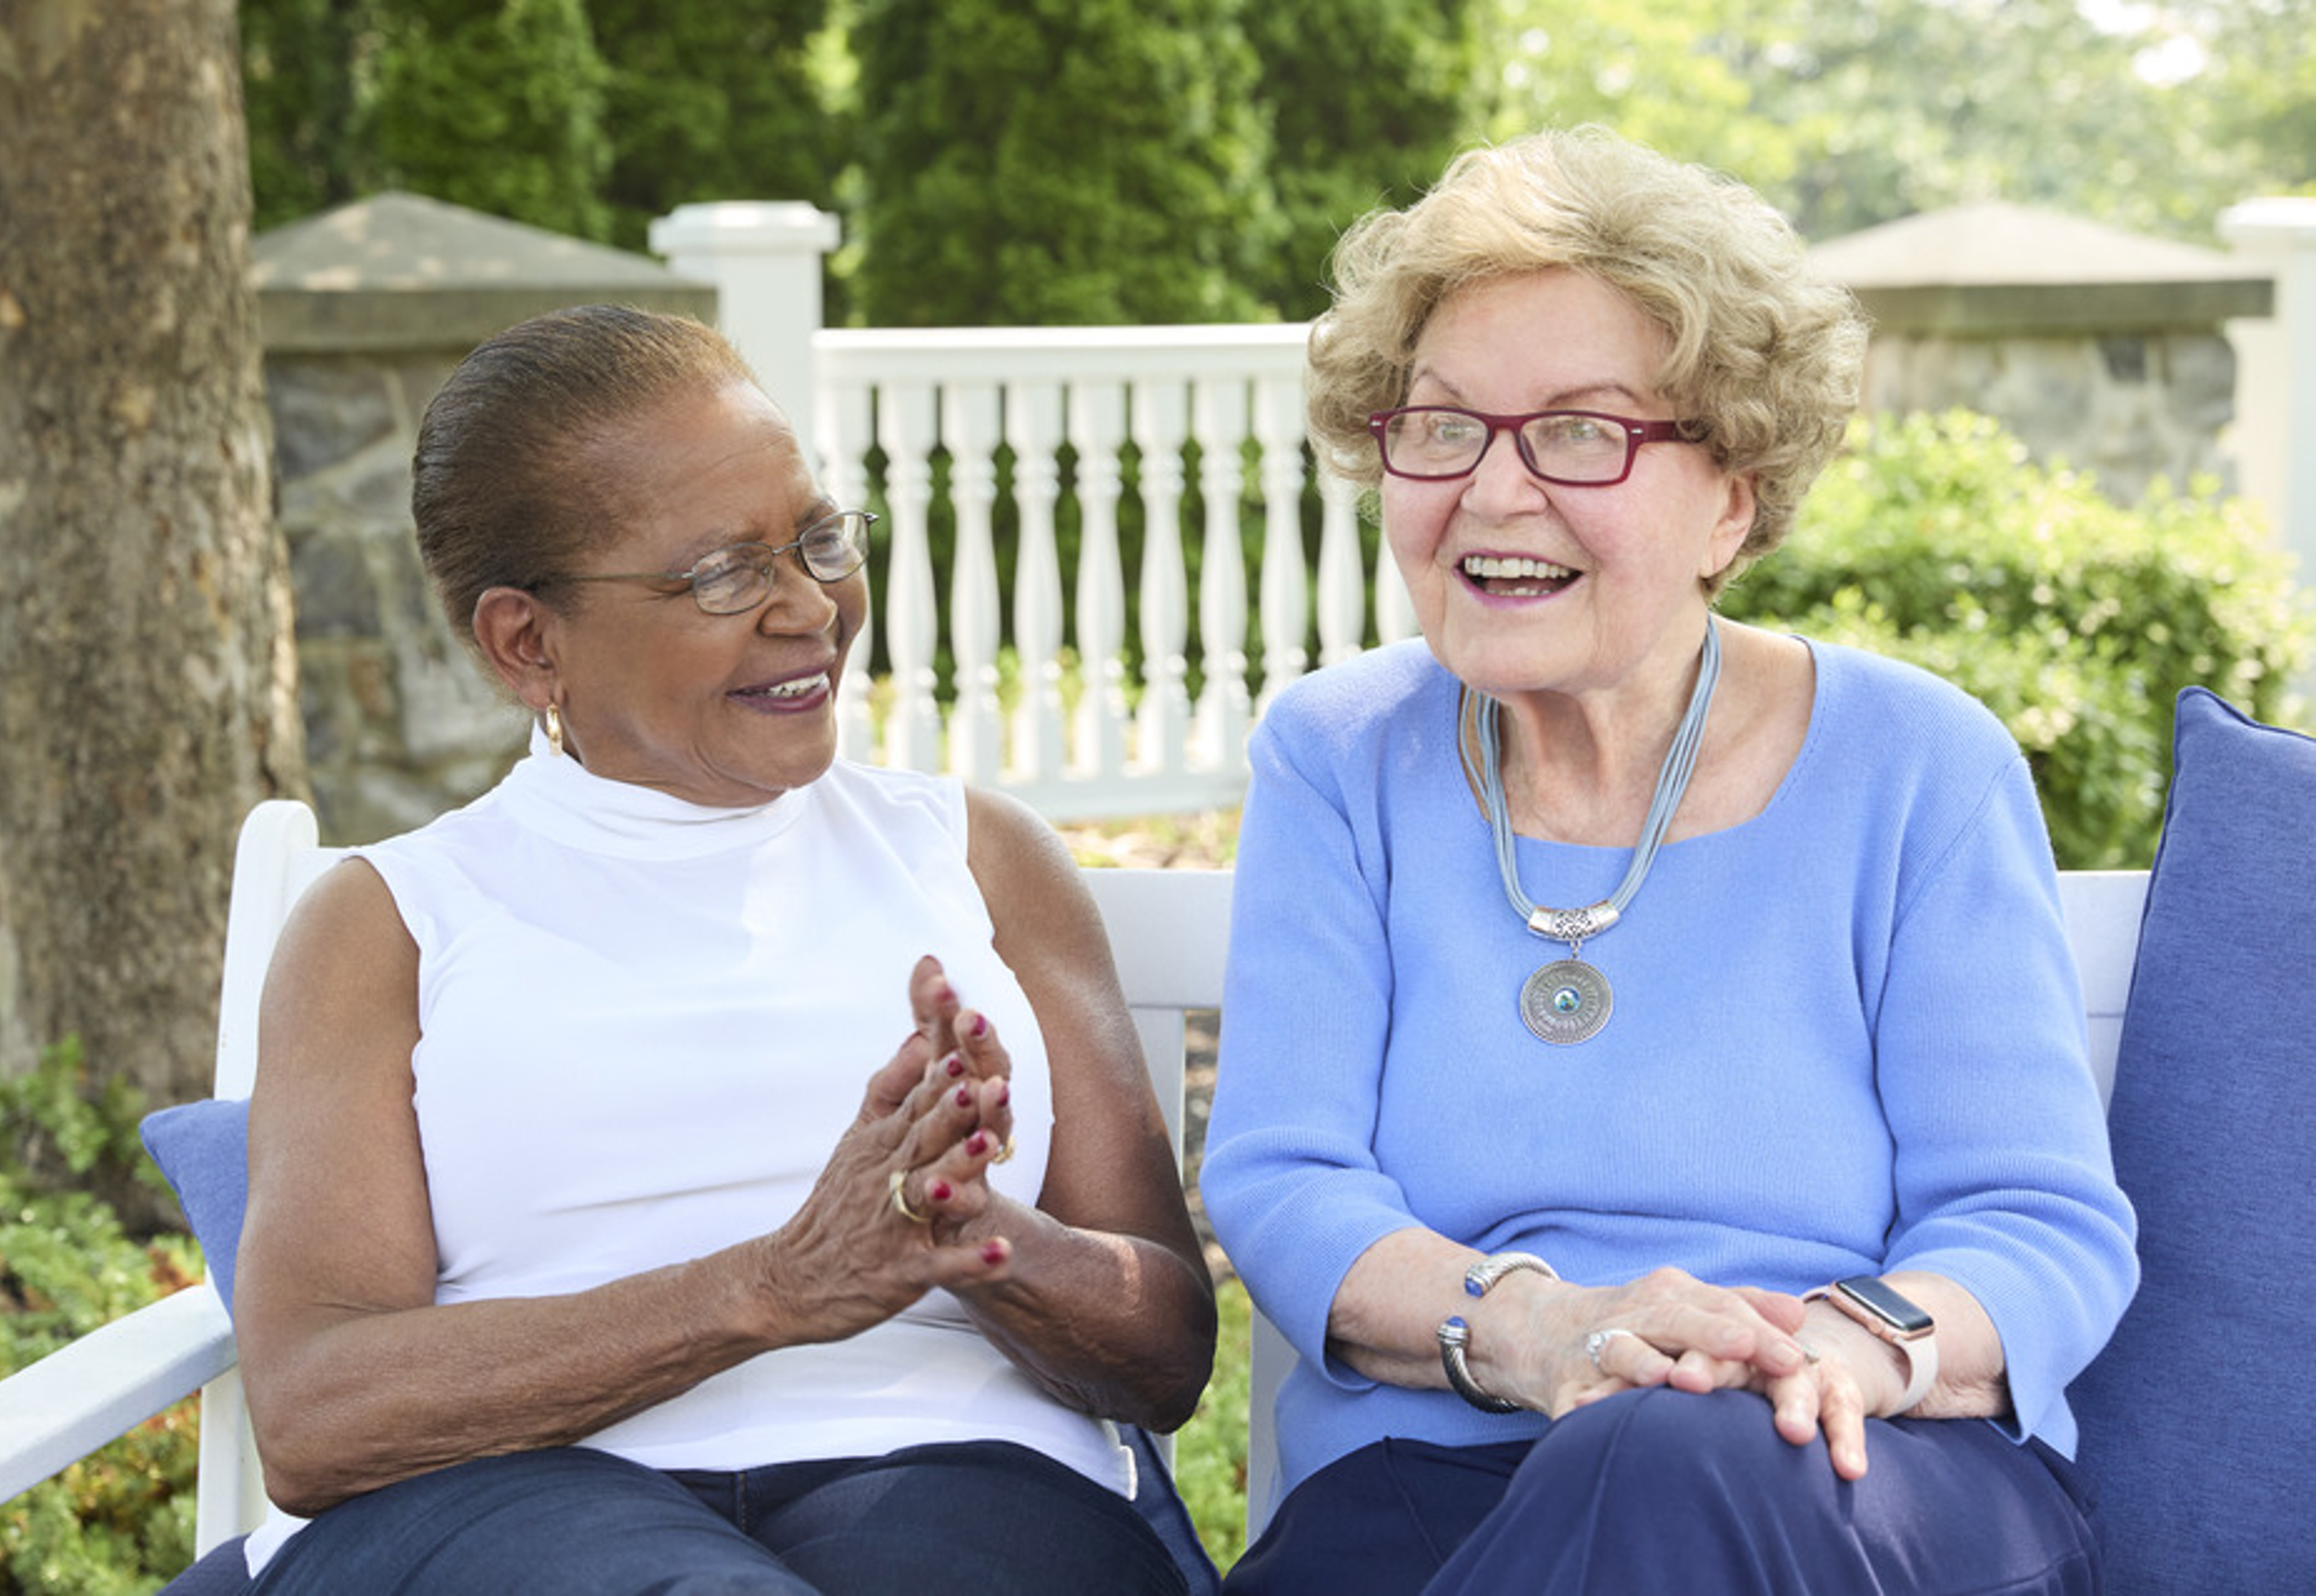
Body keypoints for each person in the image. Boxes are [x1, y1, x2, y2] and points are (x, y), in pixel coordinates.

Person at [1199, 128, 2138, 1595]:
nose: (1496, 493)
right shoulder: (1340, 755)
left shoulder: (1916, 765)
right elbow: (1289, 1175)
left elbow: (2036, 1218)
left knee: (1663, 1455)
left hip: (1852, 1469)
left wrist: (1846, 1344)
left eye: (1583, 432)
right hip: (1443, 1464)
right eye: (1443, 424)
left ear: (1735, 497)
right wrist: (1547, 1329)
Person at [229, 305, 1218, 1595]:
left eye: (815, 539)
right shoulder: (392, 920)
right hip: (512, 1499)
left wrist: (981, 1238)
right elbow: (313, 1411)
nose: (809, 606)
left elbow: (1167, 1353)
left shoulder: (975, 858)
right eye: (723, 574)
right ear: (528, 642)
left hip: (962, 1474)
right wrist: (770, 1285)